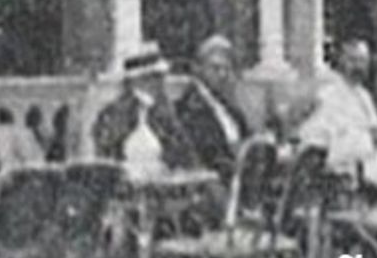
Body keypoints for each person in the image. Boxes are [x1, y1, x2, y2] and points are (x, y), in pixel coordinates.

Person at [297, 40, 377, 196]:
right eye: (353, 60)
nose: (358, 66)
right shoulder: (329, 91)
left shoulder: (364, 96)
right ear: (342, 61)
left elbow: (375, 126)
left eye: (363, 61)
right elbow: (325, 129)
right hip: (332, 158)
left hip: (361, 156)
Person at [91, 43, 198, 180]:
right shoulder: (112, 115)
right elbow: (105, 158)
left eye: (159, 77)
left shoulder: (167, 115)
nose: (158, 83)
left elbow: (185, 155)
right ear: (134, 81)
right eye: (152, 77)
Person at [176, 34, 254, 181]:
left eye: (227, 69)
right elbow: (205, 155)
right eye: (215, 68)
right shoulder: (188, 109)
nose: (223, 74)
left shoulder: (231, 109)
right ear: (198, 69)